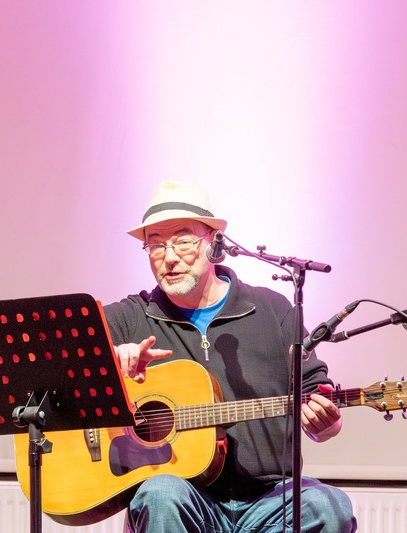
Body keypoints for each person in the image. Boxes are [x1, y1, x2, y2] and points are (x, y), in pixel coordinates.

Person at [103, 181, 357, 533]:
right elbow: (58, 373)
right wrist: (109, 361)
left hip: (271, 499)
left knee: (329, 506)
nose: (169, 256)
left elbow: (318, 398)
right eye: (156, 244)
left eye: (182, 240)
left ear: (214, 243)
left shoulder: (272, 310)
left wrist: (325, 424)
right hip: (183, 497)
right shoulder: (133, 316)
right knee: (160, 494)